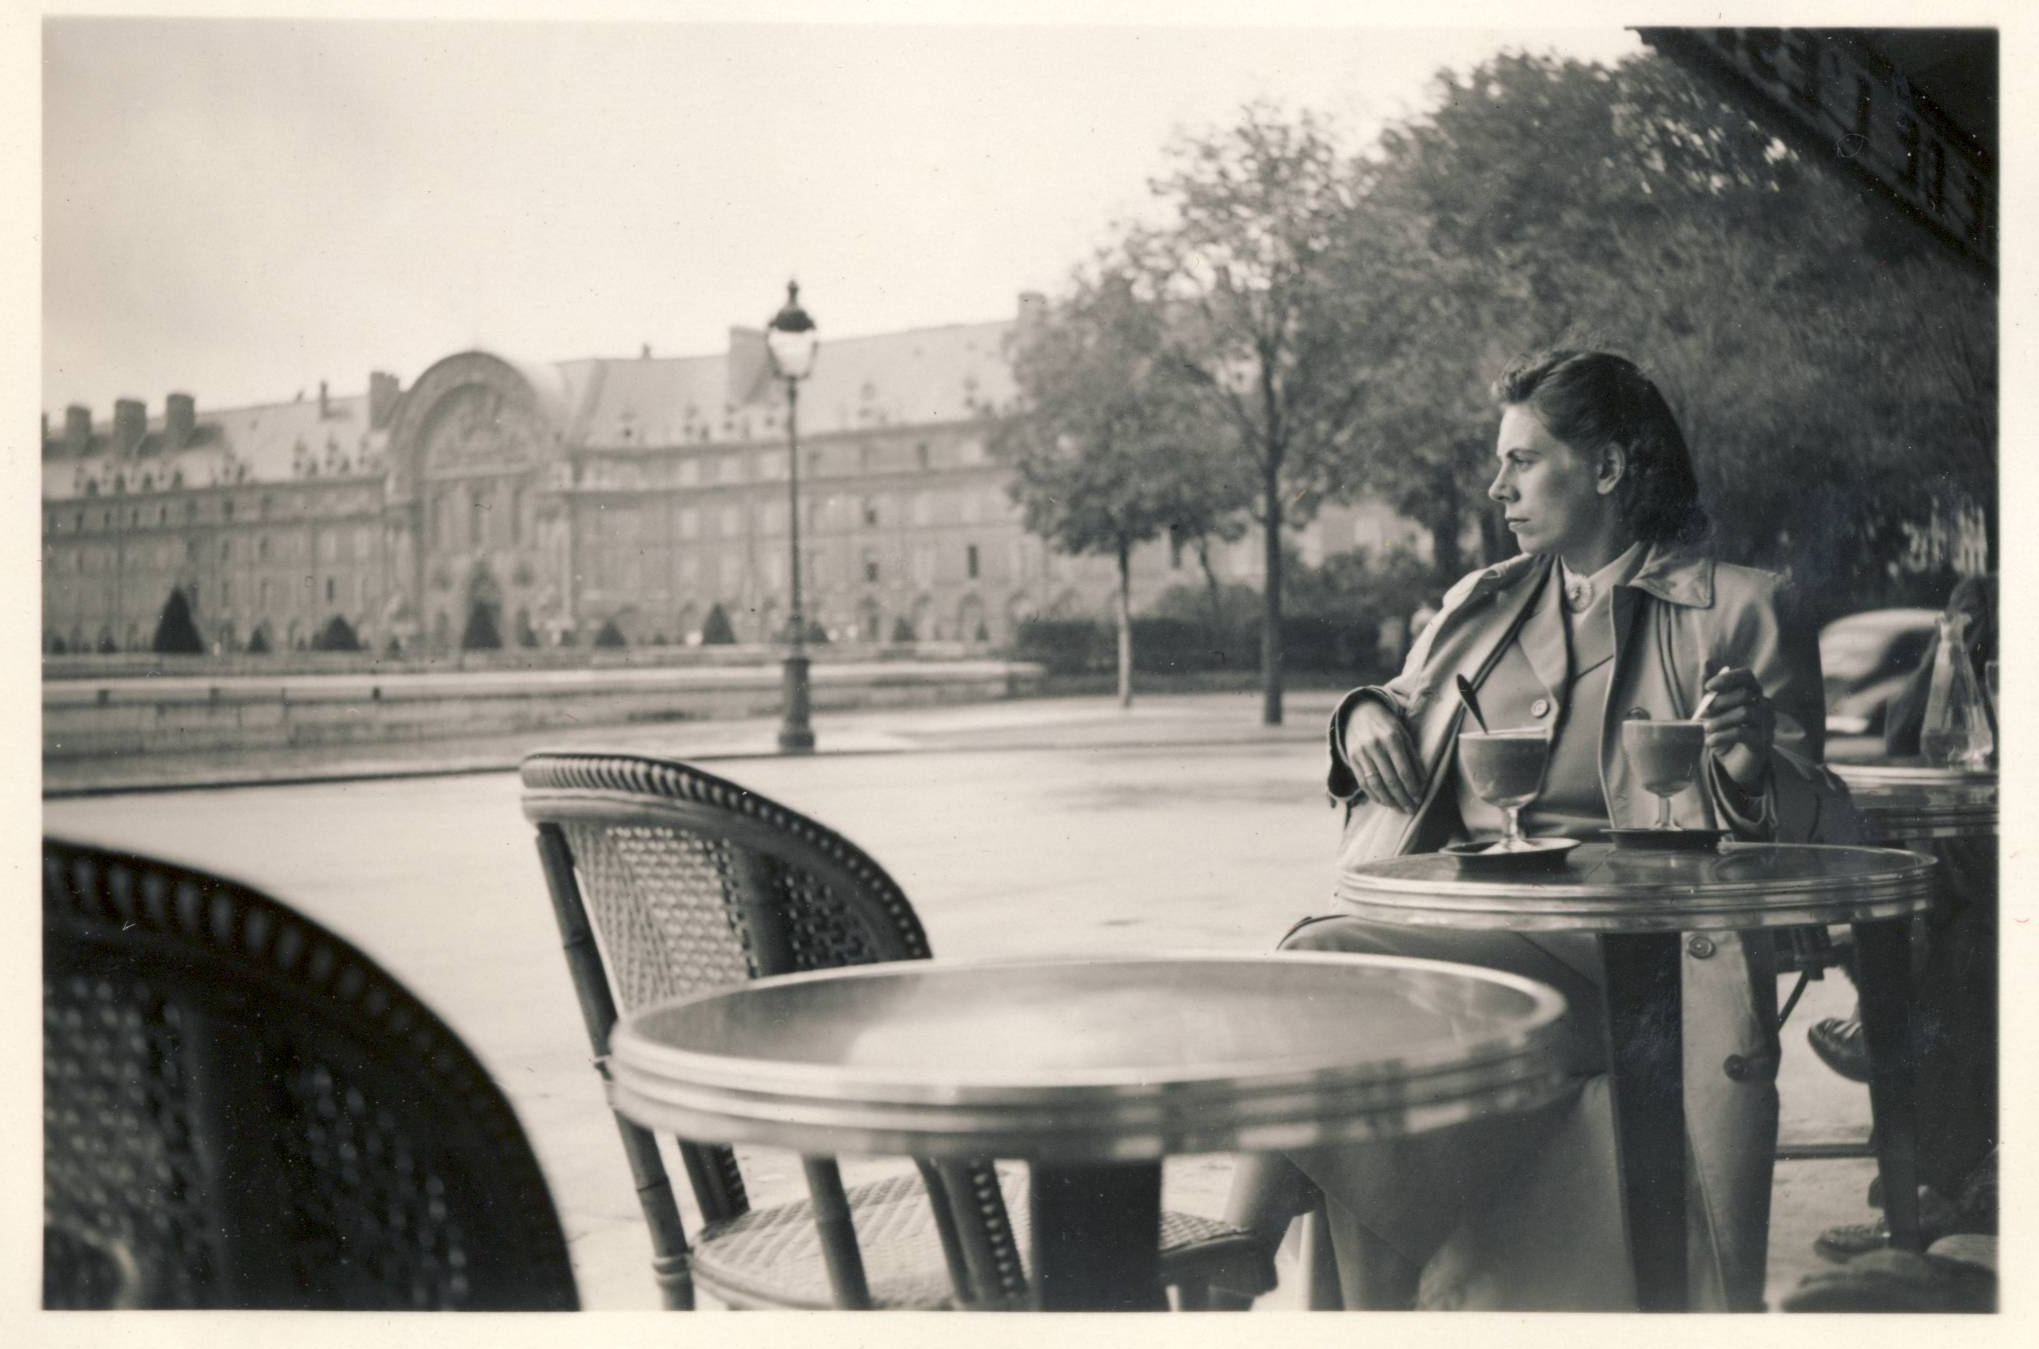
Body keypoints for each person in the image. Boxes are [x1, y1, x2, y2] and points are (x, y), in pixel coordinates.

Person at [1218, 349, 1859, 1311]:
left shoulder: (1742, 609)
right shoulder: (1481, 603)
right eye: (1500, 463)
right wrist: (1361, 717)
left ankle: (1237, 1247)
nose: (1498, 487)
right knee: (1354, 1020)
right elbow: (1402, 701)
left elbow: (1817, 830)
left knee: (1325, 958)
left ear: (1606, 468)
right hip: (1470, 930)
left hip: (1638, 957)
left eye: (1521, 460)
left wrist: (1743, 767)